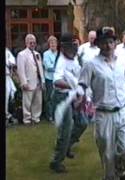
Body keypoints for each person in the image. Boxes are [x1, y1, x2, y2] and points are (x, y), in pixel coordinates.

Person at [77, 26, 125, 180]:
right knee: (108, 153)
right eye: (104, 43)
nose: (108, 46)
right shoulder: (91, 64)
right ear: (98, 44)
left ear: (115, 43)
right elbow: (82, 85)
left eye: (111, 42)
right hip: (103, 113)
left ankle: (122, 172)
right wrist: (81, 100)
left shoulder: (121, 61)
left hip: (123, 110)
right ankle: (112, 176)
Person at [49, 32, 85, 173]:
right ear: (64, 48)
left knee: (83, 122)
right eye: (71, 46)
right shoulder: (61, 61)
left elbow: (78, 74)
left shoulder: (74, 58)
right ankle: (56, 161)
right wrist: (72, 85)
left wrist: (79, 94)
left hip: (73, 96)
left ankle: (67, 146)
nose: (74, 48)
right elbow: (57, 81)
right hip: (61, 97)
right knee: (66, 129)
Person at [16, 34, 45, 125]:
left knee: (38, 101)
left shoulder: (37, 54)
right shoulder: (22, 54)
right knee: (27, 102)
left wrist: (42, 81)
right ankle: (27, 119)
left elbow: (40, 68)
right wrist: (23, 82)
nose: (32, 44)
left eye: (34, 42)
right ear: (26, 43)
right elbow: (21, 70)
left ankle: (35, 118)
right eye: (30, 42)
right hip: (28, 81)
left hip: (38, 81)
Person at [42, 35, 58, 122]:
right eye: (51, 43)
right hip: (50, 79)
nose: (53, 44)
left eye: (54, 43)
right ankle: (50, 116)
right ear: (49, 44)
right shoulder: (46, 54)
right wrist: (58, 68)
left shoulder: (59, 53)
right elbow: (48, 67)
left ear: (56, 44)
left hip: (58, 80)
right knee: (50, 98)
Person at [6, 48, 18, 126]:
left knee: (8, 96)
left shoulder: (6, 51)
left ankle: (7, 116)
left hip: (7, 77)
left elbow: (12, 61)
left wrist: (10, 63)